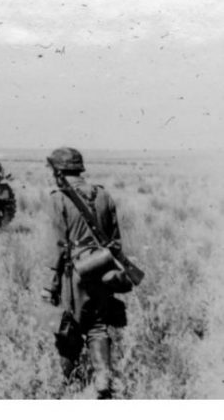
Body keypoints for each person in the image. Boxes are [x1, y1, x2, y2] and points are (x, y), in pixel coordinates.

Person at [42, 147, 131, 399]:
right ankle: (103, 379)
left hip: (73, 274)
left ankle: (70, 385)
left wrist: (50, 285)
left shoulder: (58, 198)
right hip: (102, 269)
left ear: (59, 172)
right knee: (98, 325)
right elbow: (115, 241)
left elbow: (57, 246)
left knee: (66, 327)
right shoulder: (103, 195)